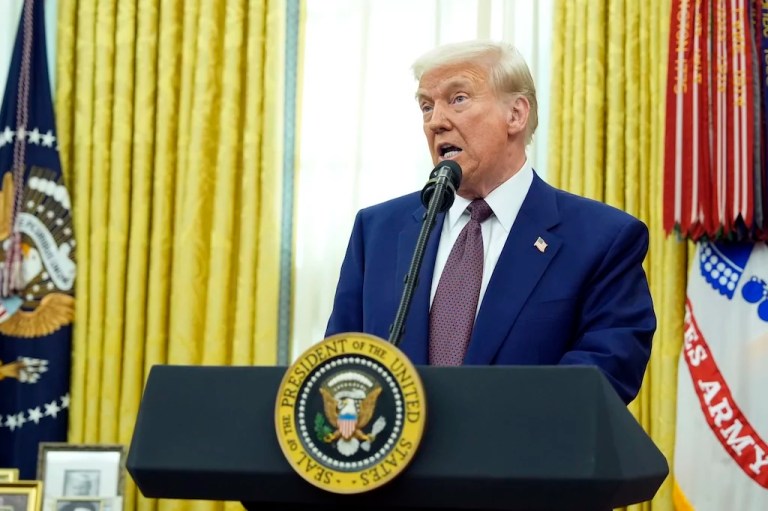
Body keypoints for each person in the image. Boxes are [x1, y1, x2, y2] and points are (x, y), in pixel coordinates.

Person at [325, 40, 656, 404]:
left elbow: (604, 375)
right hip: (399, 461)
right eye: (426, 106)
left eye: (458, 99)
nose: (436, 121)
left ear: (516, 114)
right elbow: (341, 365)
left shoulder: (602, 239)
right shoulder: (377, 232)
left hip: (523, 457)